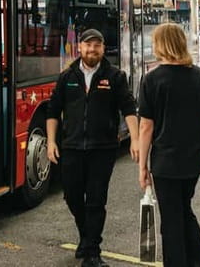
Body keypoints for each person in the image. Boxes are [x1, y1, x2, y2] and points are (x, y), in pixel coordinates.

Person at [47, 28, 139, 267]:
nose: (92, 50)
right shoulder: (67, 77)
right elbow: (53, 111)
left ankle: (92, 253)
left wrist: (136, 139)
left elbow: (129, 108)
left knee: (96, 200)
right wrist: (51, 142)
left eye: (97, 45)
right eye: (88, 45)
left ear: (103, 49)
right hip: (71, 147)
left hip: (103, 148)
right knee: (72, 196)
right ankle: (86, 237)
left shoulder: (115, 76)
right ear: (79, 47)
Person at [137, 22, 200, 267]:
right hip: (193, 160)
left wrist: (142, 167)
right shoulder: (199, 76)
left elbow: (146, 127)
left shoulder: (152, 79)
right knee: (184, 210)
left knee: (172, 221)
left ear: (161, 45)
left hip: (165, 163)